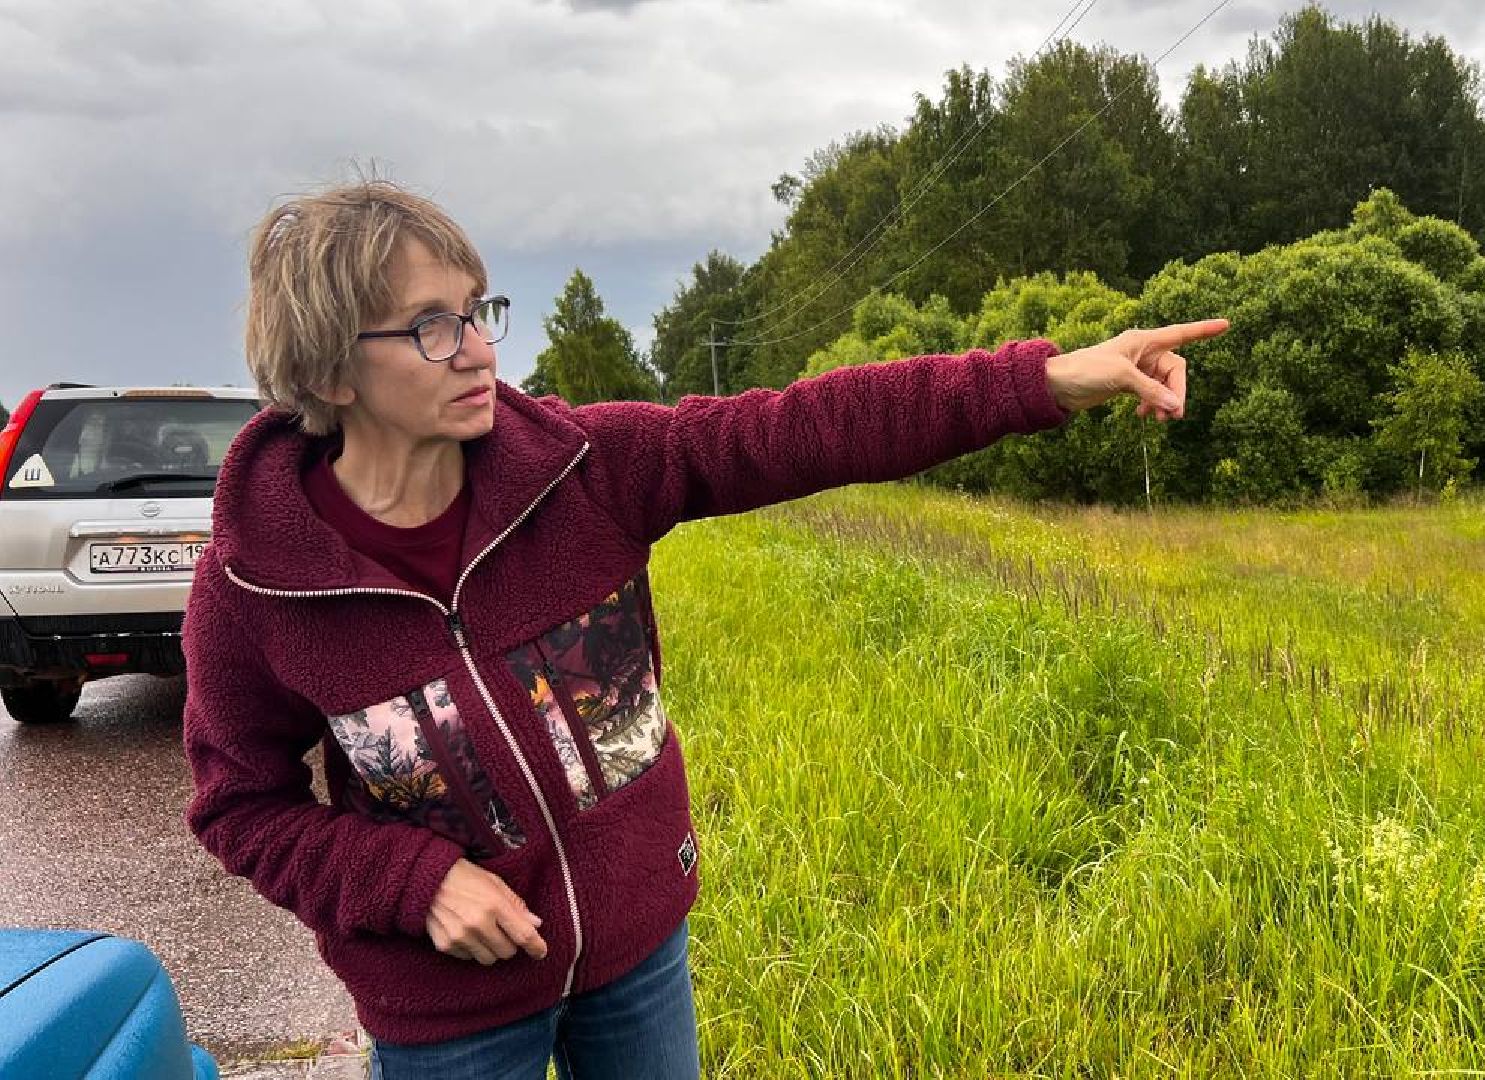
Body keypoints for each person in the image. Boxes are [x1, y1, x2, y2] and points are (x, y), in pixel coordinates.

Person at [181, 179, 1227, 1080]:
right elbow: (241, 810)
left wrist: (1037, 378)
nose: (477, 349)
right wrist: (412, 883)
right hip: (443, 1010)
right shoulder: (255, 588)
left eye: (477, 309)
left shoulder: (585, 472)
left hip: (638, 954)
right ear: (328, 372)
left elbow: (808, 429)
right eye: (430, 326)